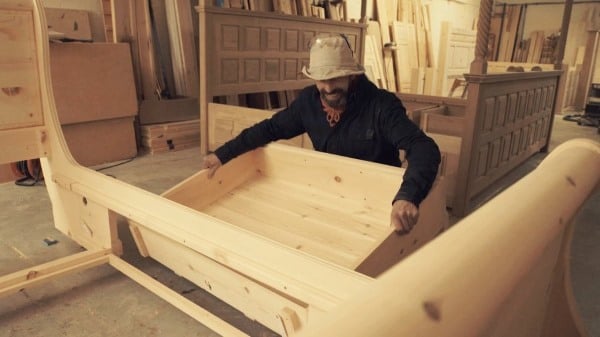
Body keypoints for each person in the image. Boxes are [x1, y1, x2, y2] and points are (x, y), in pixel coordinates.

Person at [202, 34, 441, 235]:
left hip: (378, 205)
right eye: (321, 80)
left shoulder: (381, 106)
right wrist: (223, 154)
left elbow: (424, 147)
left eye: (335, 78)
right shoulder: (309, 101)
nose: (328, 88)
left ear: (352, 75)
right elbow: (269, 128)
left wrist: (407, 196)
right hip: (329, 196)